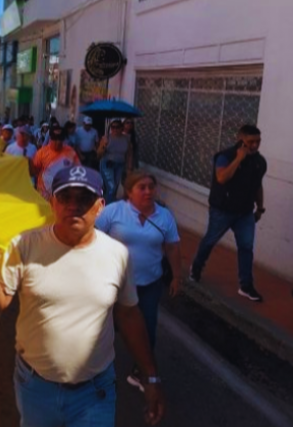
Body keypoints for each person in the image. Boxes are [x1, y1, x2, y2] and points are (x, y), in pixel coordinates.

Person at [0, 165, 164, 427]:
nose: (73, 206)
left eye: (84, 199)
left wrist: (151, 377)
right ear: (53, 202)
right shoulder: (25, 245)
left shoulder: (117, 255)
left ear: (100, 206)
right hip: (35, 389)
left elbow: (129, 315)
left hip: (95, 393)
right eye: (65, 197)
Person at [96, 170, 182, 391]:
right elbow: (93, 237)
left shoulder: (164, 216)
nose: (147, 191)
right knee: (104, 326)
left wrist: (176, 276)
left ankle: (140, 371)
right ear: (129, 191)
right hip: (114, 284)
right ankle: (93, 365)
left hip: (149, 284)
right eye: (141, 187)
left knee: (148, 328)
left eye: (151, 187)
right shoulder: (114, 211)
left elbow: (172, 247)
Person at [190, 124, 267, 302]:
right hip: (222, 211)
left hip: (245, 213)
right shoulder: (225, 157)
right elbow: (222, 177)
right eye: (250, 142)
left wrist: (260, 208)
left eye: (258, 141)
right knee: (210, 241)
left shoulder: (259, 162)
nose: (255, 145)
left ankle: (246, 285)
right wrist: (239, 159)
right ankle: (196, 267)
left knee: (246, 247)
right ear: (240, 140)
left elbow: (258, 185)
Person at [32, 126, 81, 201]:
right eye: (55, 139)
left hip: (63, 194)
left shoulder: (70, 152)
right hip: (44, 195)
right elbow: (34, 171)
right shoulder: (41, 153)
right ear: (50, 138)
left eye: (60, 139)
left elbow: (78, 170)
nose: (58, 142)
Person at [97, 120, 132, 204]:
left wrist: (129, 167)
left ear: (121, 128)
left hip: (120, 164)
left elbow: (129, 154)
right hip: (108, 164)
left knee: (115, 187)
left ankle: (108, 203)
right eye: (113, 127)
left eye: (117, 127)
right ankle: (107, 207)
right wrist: (103, 146)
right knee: (111, 187)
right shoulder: (106, 138)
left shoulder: (126, 139)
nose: (115, 129)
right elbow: (98, 154)